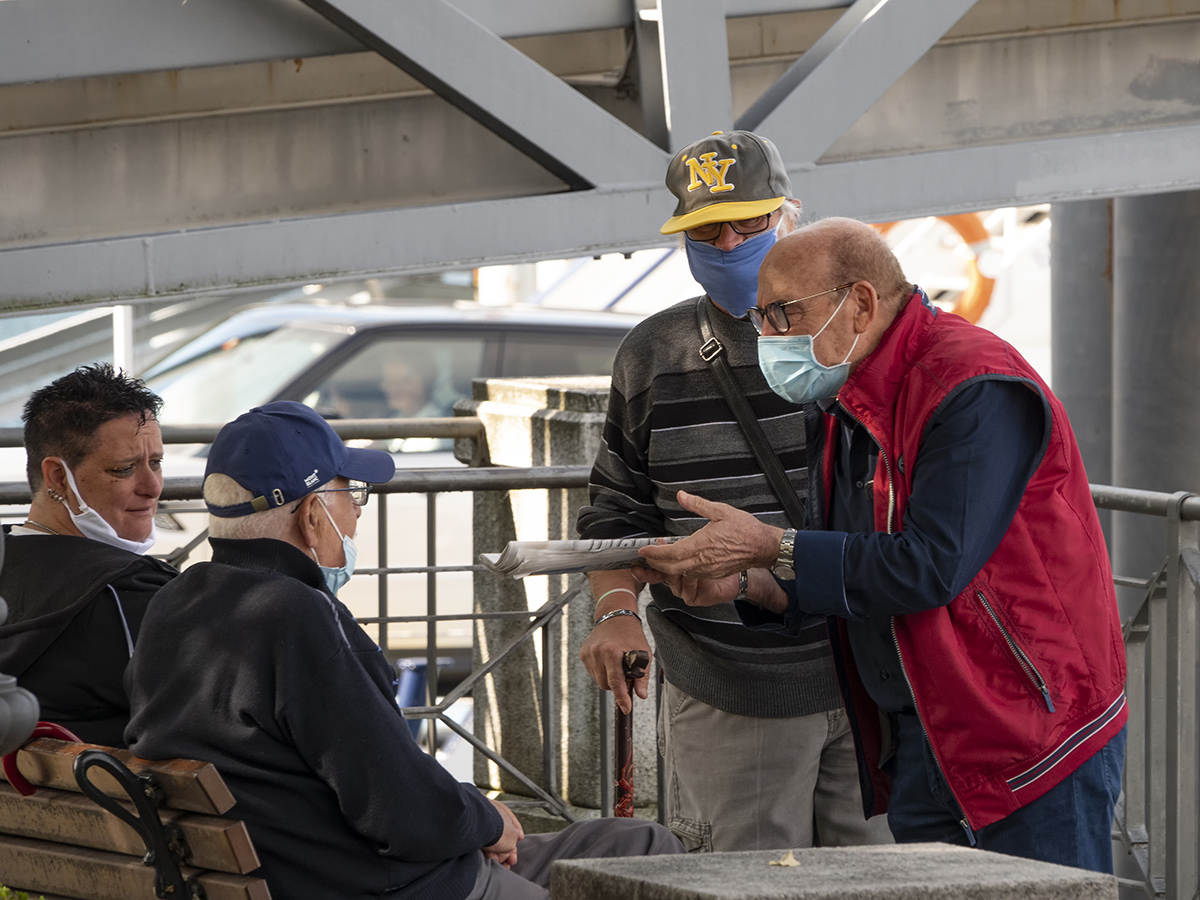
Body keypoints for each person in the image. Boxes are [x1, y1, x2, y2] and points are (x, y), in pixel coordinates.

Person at [637, 217, 1128, 873]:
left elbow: (931, 566)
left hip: (1028, 738)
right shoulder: (849, 398)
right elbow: (857, 565)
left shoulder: (971, 384)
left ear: (860, 302)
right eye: (762, 320)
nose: (770, 340)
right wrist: (747, 581)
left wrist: (770, 547)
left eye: (782, 315)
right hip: (924, 733)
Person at [125, 401, 681, 900]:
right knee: (650, 867)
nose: (359, 511)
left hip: (295, 873)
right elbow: (402, 814)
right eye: (350, 492)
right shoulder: (297, 617)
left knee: (639, 841)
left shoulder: (174, 602)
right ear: (312, 514)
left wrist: (478, 817)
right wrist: (487, 823)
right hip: (395, 884)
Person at [577, 130, 890, 851]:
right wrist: (616, 609)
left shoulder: (858, 333)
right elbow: (614, 507)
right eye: (705, 228)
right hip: (728, 694)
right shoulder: (654, 354)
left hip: (872, 677)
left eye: (749, 222)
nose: (727, 244)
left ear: (791, 214)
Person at [0, 364, 175, 747]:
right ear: (58, 478)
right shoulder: (128, 596)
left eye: (156, 462)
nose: (152, 487)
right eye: (124, 469)